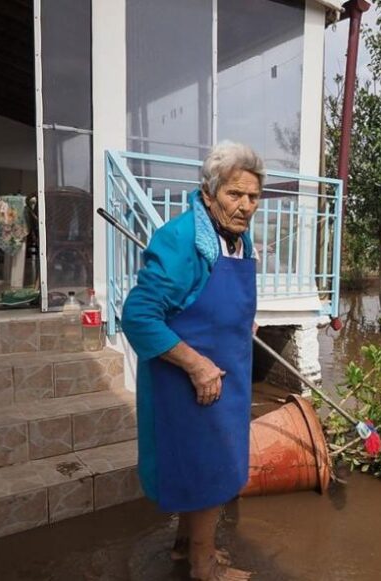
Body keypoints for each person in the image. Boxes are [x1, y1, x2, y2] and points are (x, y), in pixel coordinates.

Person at [122, 141, 262, 580]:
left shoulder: (237, 238)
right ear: (208, 194)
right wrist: (196, 365)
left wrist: (244, 322)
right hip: (191, 381)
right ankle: (205, 568)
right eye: (234, 195)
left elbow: (217, 298)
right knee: (207, 469)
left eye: (253, 197)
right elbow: (139, 315)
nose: (244, 206)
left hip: (228, 374)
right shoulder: (182, 240)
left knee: (205, 466)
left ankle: (186, 548)